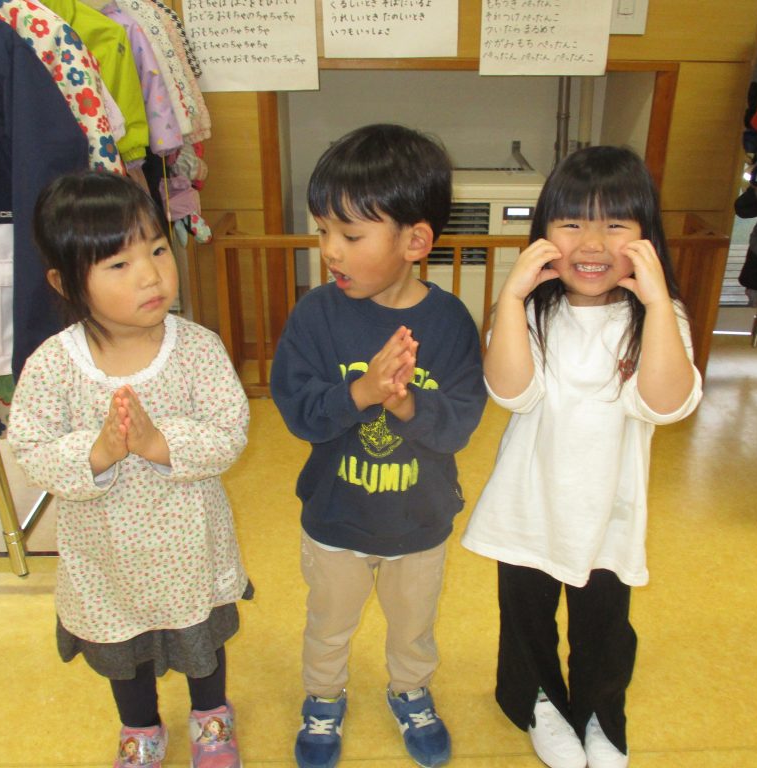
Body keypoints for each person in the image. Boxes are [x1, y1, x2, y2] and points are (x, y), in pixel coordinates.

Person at [461, 145, 703, 768]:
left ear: (646, 238)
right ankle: (538, 699)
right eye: (571, 223)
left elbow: (666, 404)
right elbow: (511, 392)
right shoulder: (531, 312)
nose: (592, 243)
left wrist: (657, 306)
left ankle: (600, 710)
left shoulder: (659, 317)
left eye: (616, 224)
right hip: (528, 504)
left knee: (604, 623)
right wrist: (511, 299)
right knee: (526, 617)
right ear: (544, 234)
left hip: (608, 510)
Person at [7, 170, 252, 768]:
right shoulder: (53, 364)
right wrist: (99, 453)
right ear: (65, 281)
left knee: (202, 640)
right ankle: (140, 727)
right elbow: (30, 447)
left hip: (189, 549)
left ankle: (211, 717)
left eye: (159, 250)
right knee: (122, 651)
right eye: (119, 264)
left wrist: (157, 443)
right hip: (106, 557)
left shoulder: (197, 348)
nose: (151, 275)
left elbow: (229, 432)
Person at [270, 123, 487, 768]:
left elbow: (460, 423)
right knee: (328, 623)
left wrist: (406, 403)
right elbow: (299, 412)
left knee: (414, 625)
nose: (330, 251)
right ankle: (323, 697)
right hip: (336, 517)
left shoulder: (449, 323)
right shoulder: (316, 315)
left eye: (350, 235)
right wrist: (361, 393)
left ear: (415, 241)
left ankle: (410, 689)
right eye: (323, 231)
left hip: (420, 521)